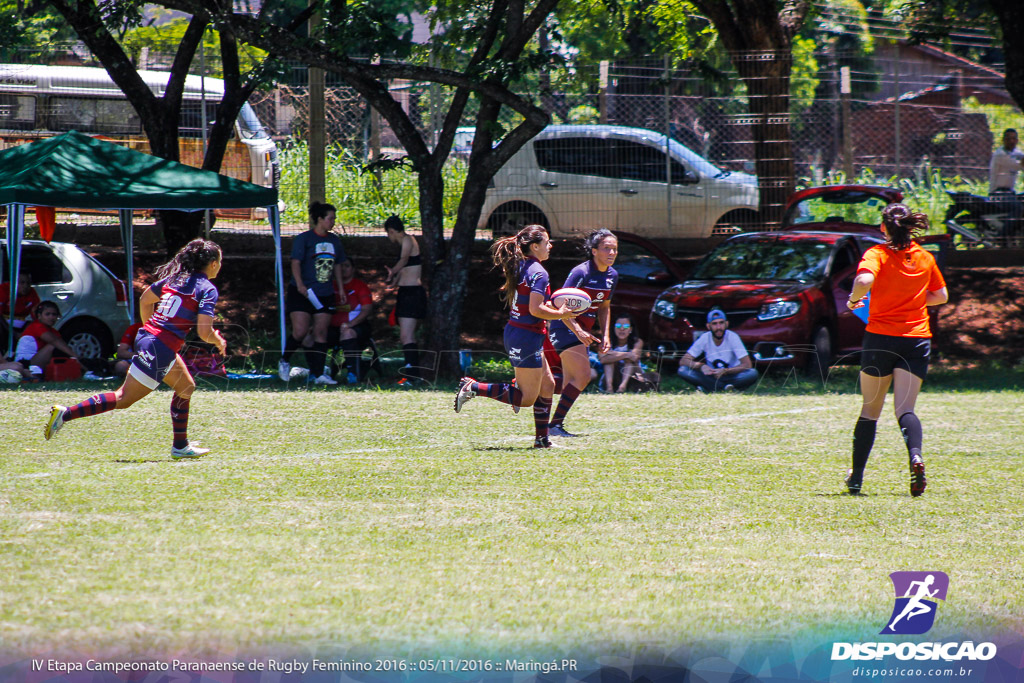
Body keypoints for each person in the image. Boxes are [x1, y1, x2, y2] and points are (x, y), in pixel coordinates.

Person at [43, 239, 227, 459]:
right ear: (213, 264)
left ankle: (180, 446)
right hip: (160, 346)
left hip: (152, 341)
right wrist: (217, 341)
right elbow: (205, 332)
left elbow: (146, 299)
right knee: (123, 398)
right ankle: (66, 414)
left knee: (185, 387)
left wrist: (151, 329)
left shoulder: (176, 279)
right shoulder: (207, 289)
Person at [844, 203, 947, 497]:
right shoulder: (926, 257)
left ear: (884, 227)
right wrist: (911, 301)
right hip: (916, 340)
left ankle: (856, 478)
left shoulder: (876, 254)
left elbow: (864, 280)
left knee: (870, 411)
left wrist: (854, 300)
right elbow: (941, 295)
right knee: (905, 409)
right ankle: (915, 456)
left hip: (881, 339)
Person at [453, 225, 583, 448]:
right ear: (534, 246)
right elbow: (536, 309)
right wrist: (561, 313)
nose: (550, 246)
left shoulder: (524, 265)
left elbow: (537, 306)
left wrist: (569, 321)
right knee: (526, 398)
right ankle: (473, 387)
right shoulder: (539, 273)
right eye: (546, 242)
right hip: (525, 337)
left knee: (548, 385)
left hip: (522, 333)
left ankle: (542, 440)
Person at [546, 229, 618, 436]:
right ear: (594, 251)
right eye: (607, 248)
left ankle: (526, 390)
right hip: (564, 326)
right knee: (584, 376)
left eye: (615, 249)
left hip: (581, 331)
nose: (612, 253)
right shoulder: (581, 272)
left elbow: (604, 307)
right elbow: (558, 304)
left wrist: (605, 335)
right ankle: (553, 426)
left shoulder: (612, 275)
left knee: (570, 381)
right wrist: (577, 330)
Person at [278, 201, 346, 386]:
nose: (333, 222)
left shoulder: (334, 241)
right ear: (320, 219)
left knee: (321, 333)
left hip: (324, 293)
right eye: (330, 218)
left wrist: (339, 288)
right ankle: (284, 360)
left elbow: (338, 265)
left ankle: (318, 374)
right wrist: (300, 284)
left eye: (334, 218)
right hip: (302, 292)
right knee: (300, 331)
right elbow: (295, 263)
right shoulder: (304, 239)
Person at [384, 215, 427, 383]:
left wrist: (392, 271)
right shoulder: (404, 244)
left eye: (388, 233)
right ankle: (411, 374)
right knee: (406, 336)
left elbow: (403, 261)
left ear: (392, 231)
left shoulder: (408, 240)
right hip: (405, 292)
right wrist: (393, 282)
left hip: (412, 294)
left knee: (407, 336)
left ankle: (411, 376)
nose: (389, 237)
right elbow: (405, 269)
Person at [676, 309, 759, 393]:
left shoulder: (733, 337)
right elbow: (683, 361)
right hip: (711, 376)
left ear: (727, 324)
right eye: (714, 324)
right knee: (683, 370)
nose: (719, 327)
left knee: (752, 373)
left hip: (732, 375)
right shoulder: (705, 338)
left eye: (721, 323)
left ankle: (710, 387)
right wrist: (701, 366)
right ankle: (726, 388)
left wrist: (726, 371)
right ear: (708, 326)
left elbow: (747, 364)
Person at [328, 257, 374, 383]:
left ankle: (352, 374)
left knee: (347, 333)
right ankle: (317, 373)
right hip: (332, 327)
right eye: (340, 266)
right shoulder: (330, 286)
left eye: (347, 266)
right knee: (312, 336)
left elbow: (366, 310)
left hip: (357, 327)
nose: (343, 269)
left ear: (353, 269)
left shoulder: (360, 286)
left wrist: (349, 324)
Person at [15, 300, 78, 379]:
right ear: (39, 316)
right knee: (54, 345)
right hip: (25, 364)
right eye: (47, 314)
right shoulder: (37, 326)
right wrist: (77, 358)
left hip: (37, 360)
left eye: (54, 314)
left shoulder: (54, 331)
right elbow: (56, 343)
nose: (51, 317)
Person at [988, 128, 1024, 238]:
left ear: (1017, 140)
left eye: (1013, 138)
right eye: (1008, 139)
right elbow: (1018, 166)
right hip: (998, 193)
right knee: (1018, 208)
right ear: (1003, 140)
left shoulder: (1016, 152)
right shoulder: (1000, 154)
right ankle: (1002, 237)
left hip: (1010, 192)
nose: (1011, 141)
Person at [599, 313, 644, 393]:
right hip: (612, 376)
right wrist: (626, 354)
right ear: (613, 328)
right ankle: (609, 388)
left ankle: (622, 387)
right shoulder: (606, 342)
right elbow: (603, 359)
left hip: (632, 377)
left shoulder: (637, 342)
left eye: (626, 326)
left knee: (629, 362)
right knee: (609, 361)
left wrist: (612, 354)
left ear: (630, 329)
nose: (622, 329)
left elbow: (634, 357)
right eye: (618, 326)